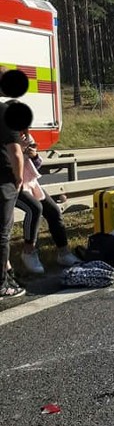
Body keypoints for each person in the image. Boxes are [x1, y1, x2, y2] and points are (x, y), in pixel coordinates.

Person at [14, 129, 81, 274]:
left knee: (53, 211)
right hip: (11, 184)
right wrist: (18, 150)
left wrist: (33, 155)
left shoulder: (26, 137)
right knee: (35, 208)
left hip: (29, 183)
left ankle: (63, 253)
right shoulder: (6, 137)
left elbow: (36, 166)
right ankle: (28, 251)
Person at [0, 99, 25, 299]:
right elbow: (16, 154)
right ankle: (2, 284)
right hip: (3, 181)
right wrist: (19, 178)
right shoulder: (6, 113)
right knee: (2, 233)